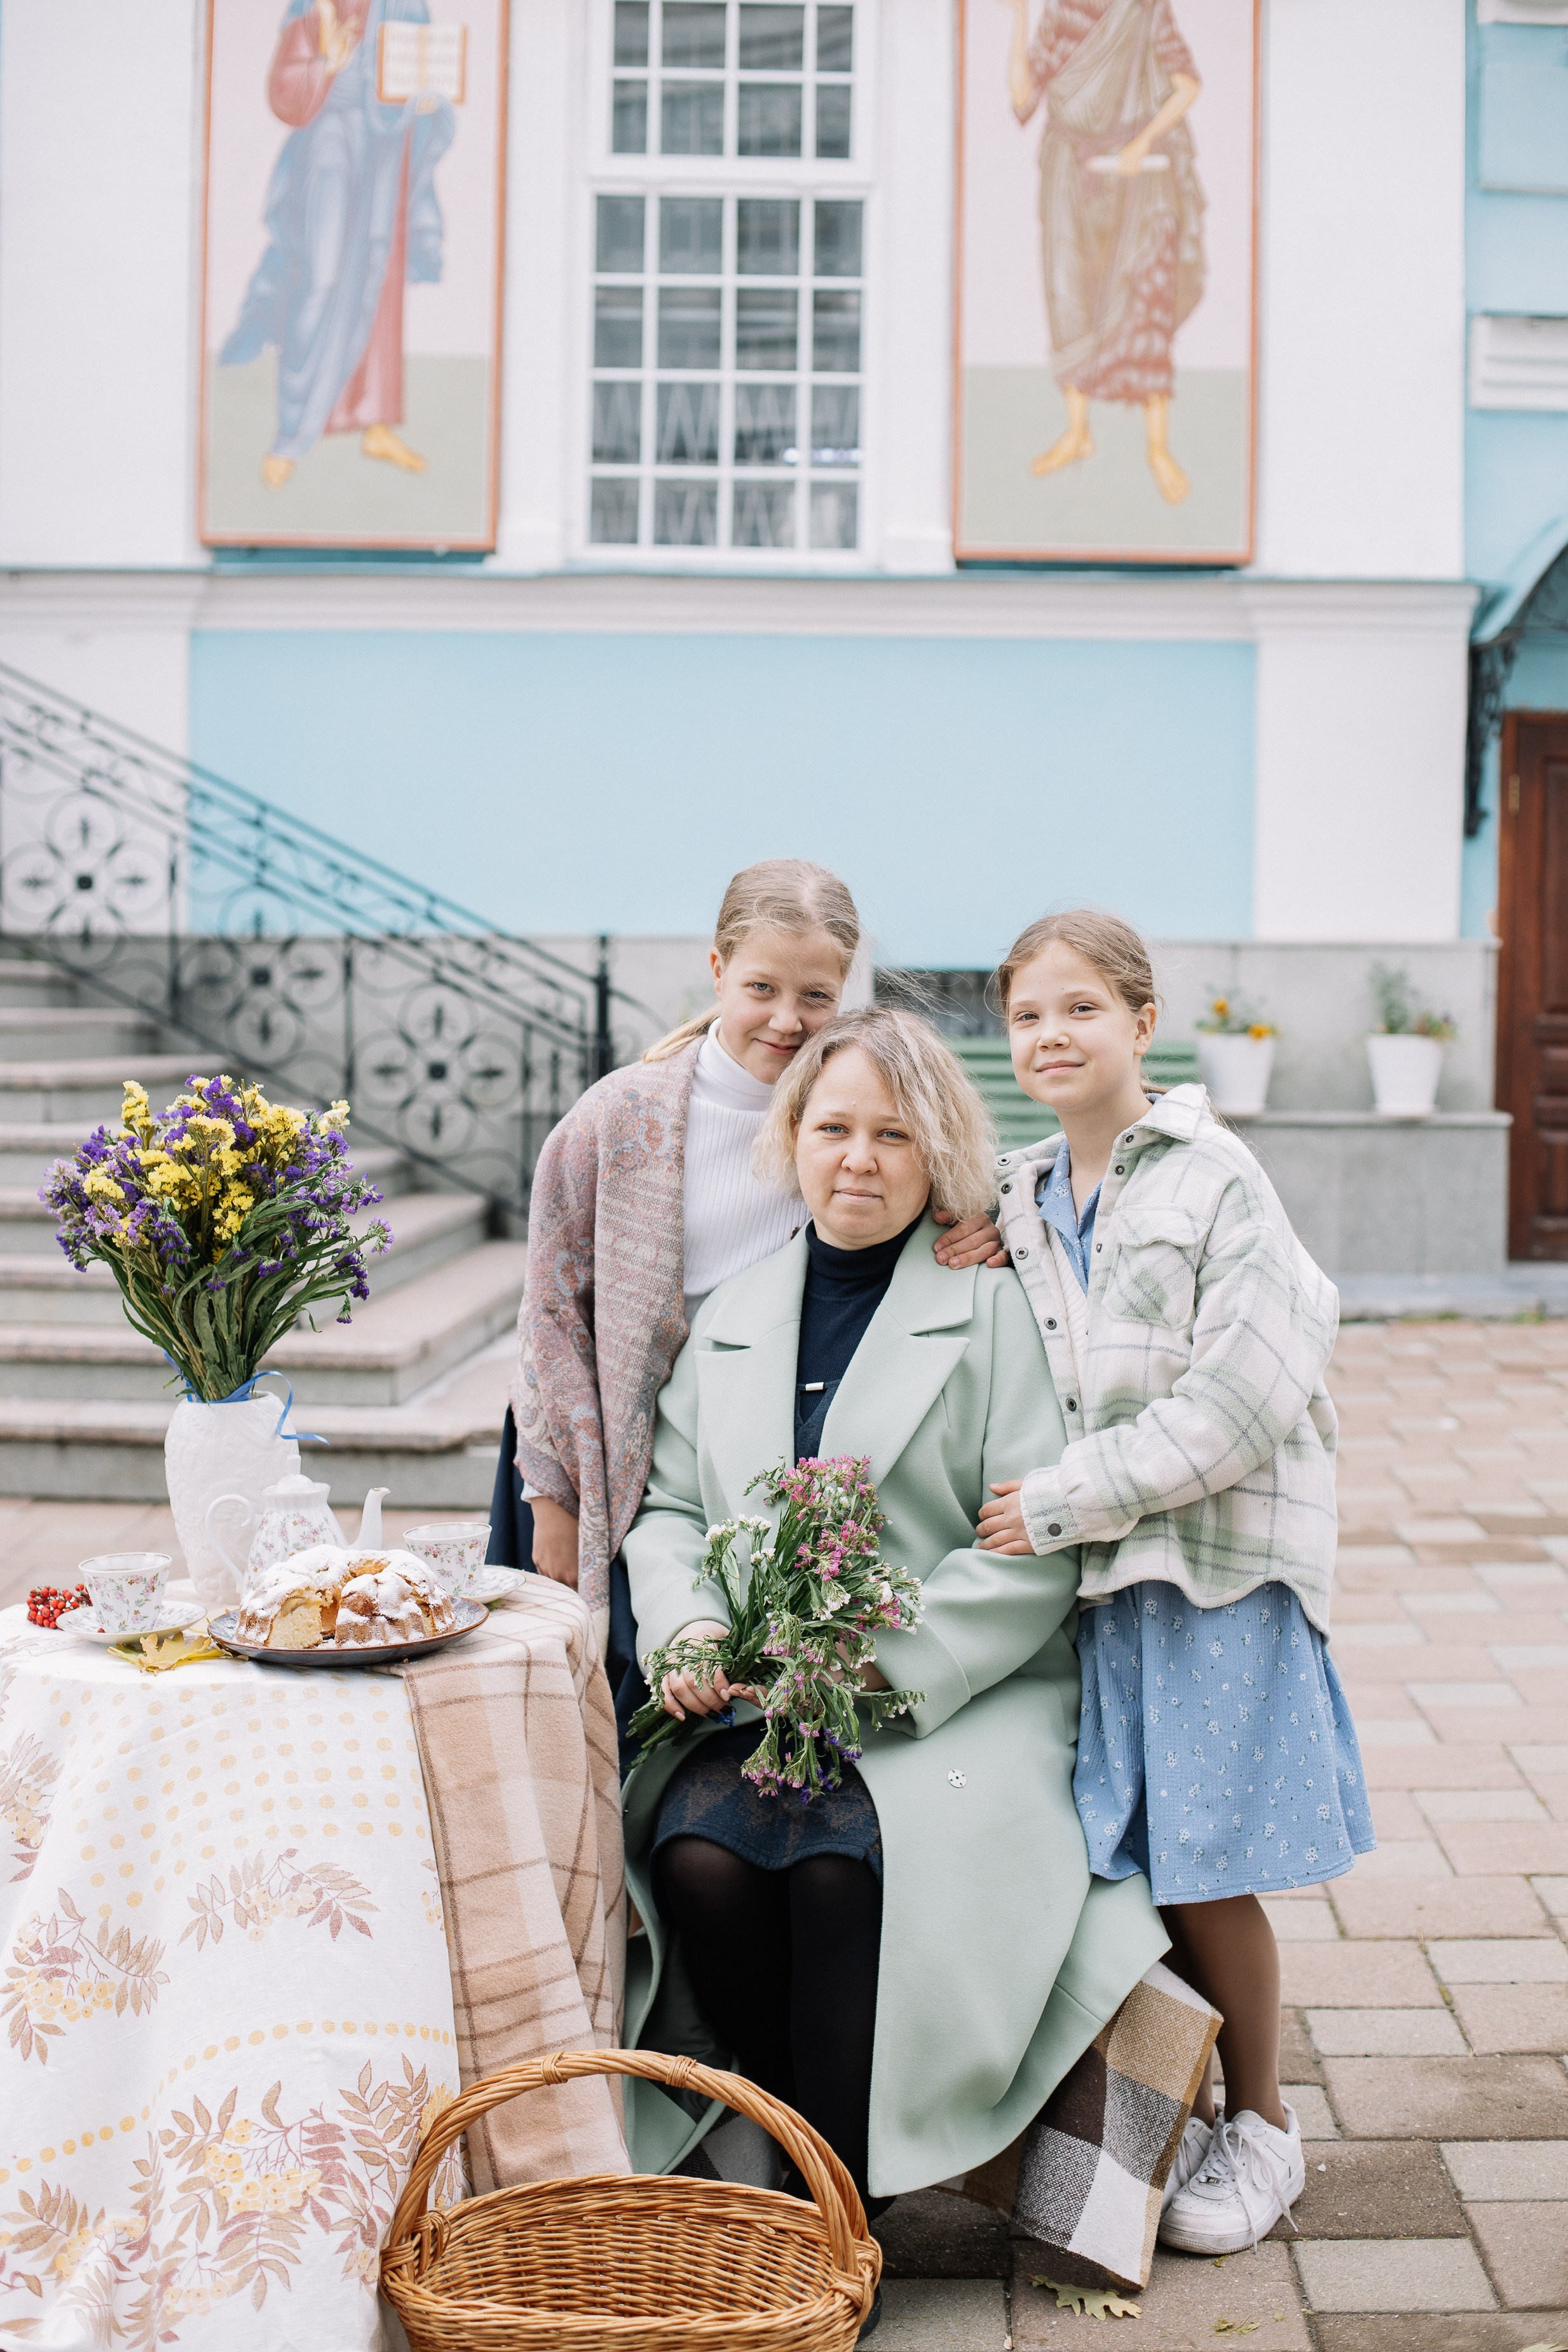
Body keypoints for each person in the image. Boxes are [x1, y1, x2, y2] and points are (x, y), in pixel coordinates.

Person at [618, 1007, 1168, 2234]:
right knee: (697, 1859)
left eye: (892, 1136)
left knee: (833, 1870)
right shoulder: (738, 1310)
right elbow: (664, 1511)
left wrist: (876, 1665)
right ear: (790, 1143)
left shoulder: (991, 1307)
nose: (857, 1160)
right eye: (831, 1130)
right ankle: (783, 2145)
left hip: (951, 1694)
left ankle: (846, 2205)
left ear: (935, 1158)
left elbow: (1027, 1546)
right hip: (763, 1692)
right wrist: (691, 1635)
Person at [977, 910, 1374, 2254]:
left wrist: (1056, 1502)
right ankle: (1186, 2107)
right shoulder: (1026, 1196)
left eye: (1080, 1008)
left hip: (1209, 1571)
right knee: (1131, 1860)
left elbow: (1243, 1400)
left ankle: (1266, 2126)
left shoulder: (1216, 1179)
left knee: (1208, 1858)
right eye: (1029, 1014)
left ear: (1144, 1021)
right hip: (1100, 1586)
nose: (1052, 1035)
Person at [491, 861, 1004, 1754]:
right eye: (761, 986)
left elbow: (943, 1161)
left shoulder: (842, 1115)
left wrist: (985, 1217)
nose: (786, 1018)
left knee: (691, 1712)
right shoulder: (622, 1117)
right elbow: (549, 1317)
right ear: (717, 967)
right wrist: (553, 1496)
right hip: (593, 1452)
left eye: (816, 993)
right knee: (580, 1712)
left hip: (724, 1460)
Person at [222, 0, 454, 488]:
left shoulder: (406, 5)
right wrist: (328, 67)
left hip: (387, 144)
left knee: (378, 274)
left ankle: (374, 421)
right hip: (330, 139)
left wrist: (426, 99)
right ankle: (290, 433)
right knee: (321, 278)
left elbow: (424, 68)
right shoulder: (315, 6)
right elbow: (286, 89)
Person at [1000, 0, 1205, 504]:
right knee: (1068, 294)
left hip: (1137, 175)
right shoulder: (1059, 15)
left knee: (1144, 301)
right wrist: (1019, 16)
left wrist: (1143, 142)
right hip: (1070, 168)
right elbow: (1023, 99)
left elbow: (1186, 86)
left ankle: (1157, 446)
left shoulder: (1144, 10)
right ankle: (1077, 431)